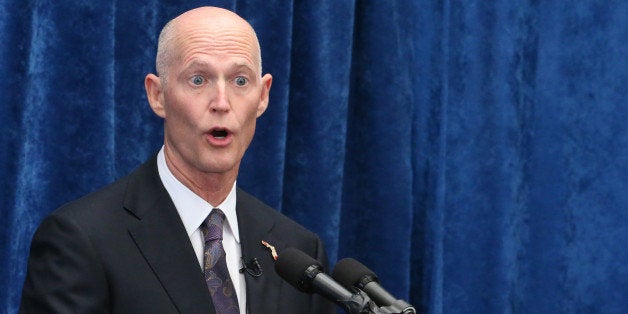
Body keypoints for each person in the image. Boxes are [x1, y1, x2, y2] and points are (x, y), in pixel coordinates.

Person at [19, 6, 335, 314]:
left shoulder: (299, 251)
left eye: (240, 81)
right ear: (157, 95)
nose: (222, 103)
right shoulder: (80, 239)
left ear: (263, 95)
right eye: (198, 79)